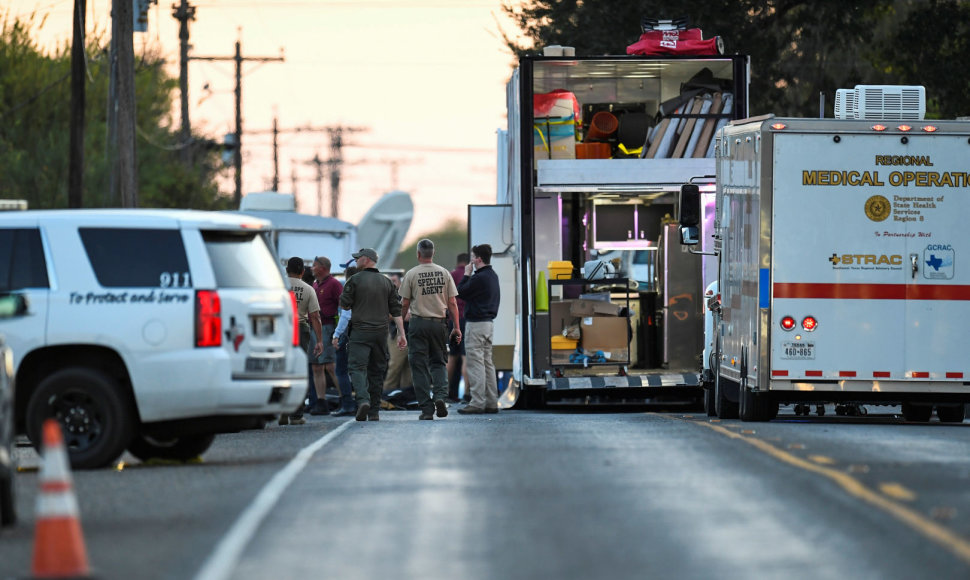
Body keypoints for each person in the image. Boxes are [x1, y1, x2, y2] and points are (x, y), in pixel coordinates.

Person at [339, 248, 406, 422]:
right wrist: (401, 333)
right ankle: (374, 411)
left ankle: (363, 400)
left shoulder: (354, 280)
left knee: (357, 368)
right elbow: (396, 310)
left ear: (366, 259)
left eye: (357, 258)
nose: (355, 261)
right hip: (380, 334)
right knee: (376, 371)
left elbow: (345, 305)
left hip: (360, 332)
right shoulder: (387, 282)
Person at [400, 239, 461, 420]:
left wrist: (401, 326)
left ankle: (427, 409)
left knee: (419, 366)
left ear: (418, 254)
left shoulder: (411, 274)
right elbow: (452, 302)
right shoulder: (444, 273)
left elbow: (404, 304)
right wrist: (456, 327)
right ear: (433, 253)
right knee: (439, 362)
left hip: (418, 323)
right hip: (439, 323)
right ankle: (440, 397)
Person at [457, 244, 500, 415]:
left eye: (473, 257)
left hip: (476, 324)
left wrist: (466, 274)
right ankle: (491, 402)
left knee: (475, 363)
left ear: (478, 259)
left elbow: (460, 292)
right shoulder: (493, 276)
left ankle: (477, 402)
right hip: (488, 323)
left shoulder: (478, 278)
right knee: (488, 363)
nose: (471, 261)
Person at [283, 257, 324, 425]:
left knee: (281, 368)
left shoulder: (279, 286)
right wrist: (320, 340)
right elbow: (315, 316)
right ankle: (296, 414)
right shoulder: (308, 289)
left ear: (286, 270)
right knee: (298, 369)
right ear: (302, 272)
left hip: (282, 328)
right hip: (300, 330)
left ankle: (281, 409)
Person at [309, 256, 343, 415]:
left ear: (322, 268)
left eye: (314, 266)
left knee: (330, 365)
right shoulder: (315, 285)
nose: (312, 268)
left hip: (327, 327)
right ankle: (321, 401)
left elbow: (342, 307)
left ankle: (345, 398)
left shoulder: (334, 284)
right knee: (316, 366)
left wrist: (338, 331)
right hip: (314, 328)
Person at [330, 263, 358, 416]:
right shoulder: (365, 290)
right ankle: (363, 402)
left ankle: (347, 404)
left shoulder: (347, 291)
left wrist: (336, 334)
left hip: (348, 333)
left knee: (341, 370)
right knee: (359, 370)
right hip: (363, 332)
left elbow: (345, 315)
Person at [382, 272, 412, 394]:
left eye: (394, 281)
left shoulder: (407, 296)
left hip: (410, 334)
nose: (392, 284)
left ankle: (406, 394)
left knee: (409, 368)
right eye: (390, 281)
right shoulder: (388, 297)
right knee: (395, 366)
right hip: (396, 336)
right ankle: (386, 394)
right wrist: (400, 315)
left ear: (400, 282)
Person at [447, 253, 469, 402]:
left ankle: (448, 392)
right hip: (466, 320)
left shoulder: (450, 275)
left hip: (452, 321)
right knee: (465, 357)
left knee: (452, 357)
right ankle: (467, 394)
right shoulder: (470, 277)